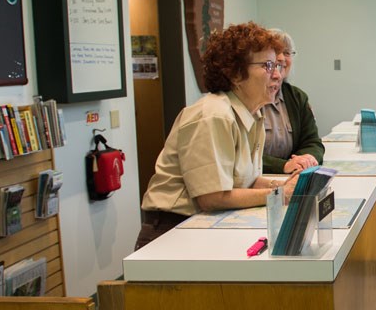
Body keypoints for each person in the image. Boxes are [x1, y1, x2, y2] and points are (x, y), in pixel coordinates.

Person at [135, 22, 298, 249]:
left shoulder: (253, 114)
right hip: (172, 232)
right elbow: (212, 197)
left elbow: (246, 181)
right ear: (235, 74)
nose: (277, 75)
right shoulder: (214, 115)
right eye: (268, 66)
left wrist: (288, 185)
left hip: (205, 225)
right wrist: (279, 193)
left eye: (278, 66)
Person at [261, 30, 325, 174]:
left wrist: (306, 158)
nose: (282, 58)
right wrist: (282, 166)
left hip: (290, 177)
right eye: (276, 51)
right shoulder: (249, 98)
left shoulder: (297, 97)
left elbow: (312, 142)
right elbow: (241, 157)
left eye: (287, 53)